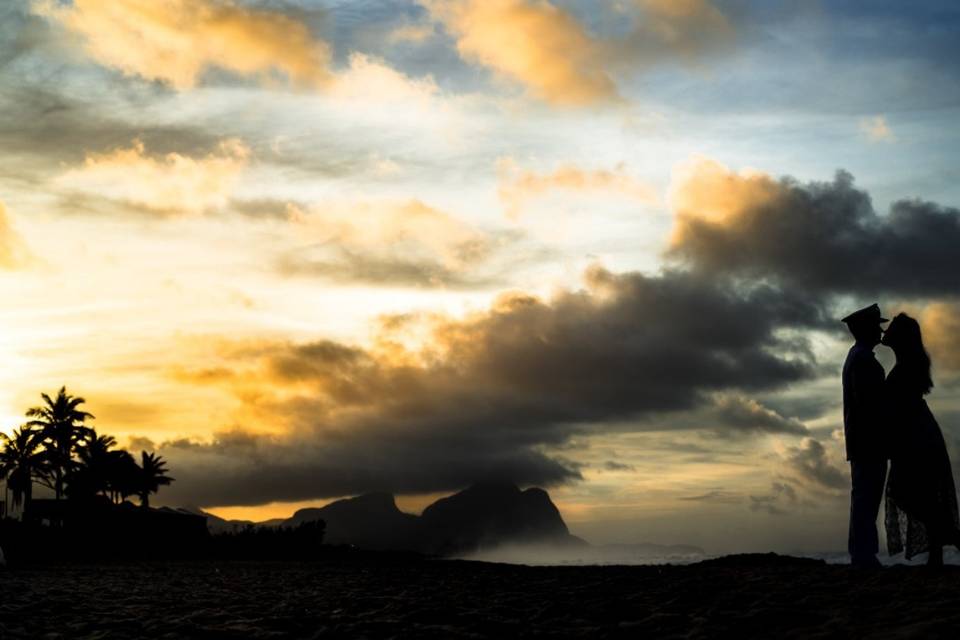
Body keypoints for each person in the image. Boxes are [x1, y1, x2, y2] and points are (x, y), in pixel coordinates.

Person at [882, 313, 960, 566]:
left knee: (908, 492)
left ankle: (945, 543)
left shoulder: (906, 367)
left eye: (891, 329)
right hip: (917, 432)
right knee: (916, 494)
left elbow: (900, 407)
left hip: (915, 436)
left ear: (901, 337)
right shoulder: (908, 363)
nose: (886, 331)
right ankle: (939, 550)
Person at [841, 303, 889, 568]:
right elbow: (871, 403)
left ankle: (862, 553)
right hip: (869, 440)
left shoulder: (858, 356)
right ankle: (863, 554)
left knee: (864, 497)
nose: (880, 331)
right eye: (876, 326)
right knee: (866, 498)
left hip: (864, 440)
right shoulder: (862, 359)